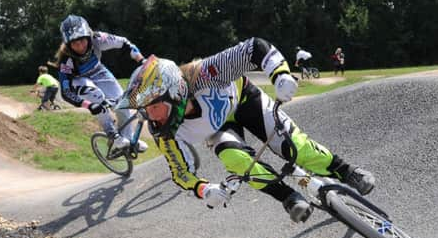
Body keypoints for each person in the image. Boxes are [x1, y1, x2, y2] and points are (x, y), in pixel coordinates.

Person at [118, 38, 375, 222]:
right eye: (145, 109)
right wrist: (204, 189)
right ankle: (289, 197)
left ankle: (346, 171)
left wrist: (280, 75)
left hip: (244, 100)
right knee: (236, 160)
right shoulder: (165, 133)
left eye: (153, 107)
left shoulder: (204, 73)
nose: (150, 117)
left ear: (174, 93)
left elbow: (255, 49)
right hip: (221, 129)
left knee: (293, 148)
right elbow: (181, 172)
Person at [55, 14, 148, 151]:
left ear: (88, 36)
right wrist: (89, 105)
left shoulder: (97, 38)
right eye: (74, 43)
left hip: (99, 71)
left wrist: (142, 61)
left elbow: (125, 43)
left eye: (81, 40)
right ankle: (112, 135)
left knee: (122, 102)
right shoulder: (66, 59)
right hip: (78, 80)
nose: (79, 46)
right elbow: (66, 92)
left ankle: (128, 139)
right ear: (68, 44)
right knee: (97, 97)